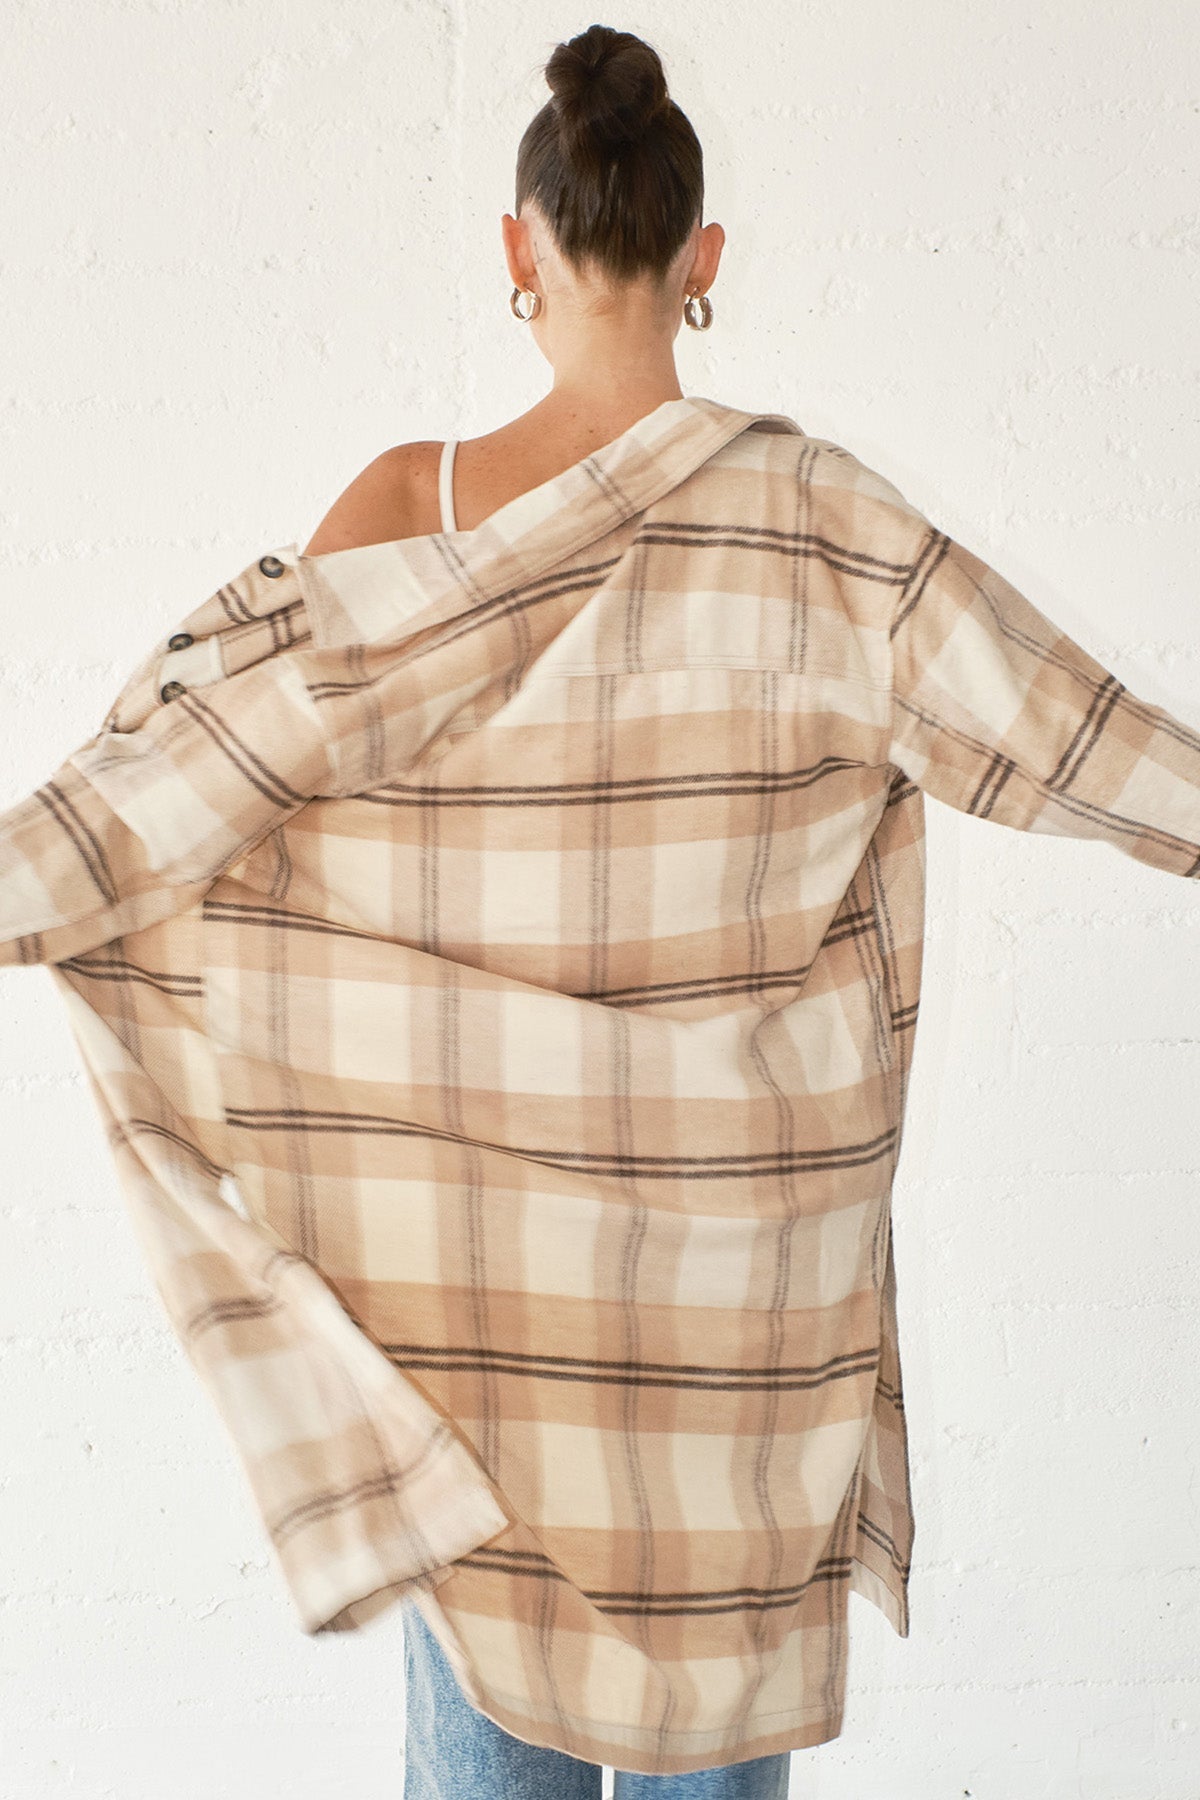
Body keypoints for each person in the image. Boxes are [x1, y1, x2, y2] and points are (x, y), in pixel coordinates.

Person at [2, 20, 1198, 1800]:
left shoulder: (405, 515)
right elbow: (1087, 743)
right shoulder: (823, 527)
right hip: (736, 1332)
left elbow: (182, 788)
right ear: (702, 257)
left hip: (478, 1321)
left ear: (519, 245)